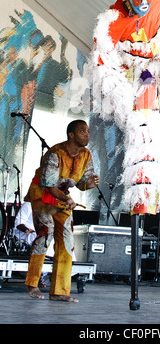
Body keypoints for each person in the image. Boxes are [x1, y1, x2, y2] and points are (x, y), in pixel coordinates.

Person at [24, 119, 99, 302]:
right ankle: (32, 283)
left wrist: (87, 185)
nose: (87, 134)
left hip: (62, 197)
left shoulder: (87, 155)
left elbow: (81, 184)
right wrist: (68, 198)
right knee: (46, 232)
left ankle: (59, 291)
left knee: (67, 242)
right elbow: (49, 186)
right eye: (83, 131)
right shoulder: (54, 153)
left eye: (88, 131)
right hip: (42, 195)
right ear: (71, 135)